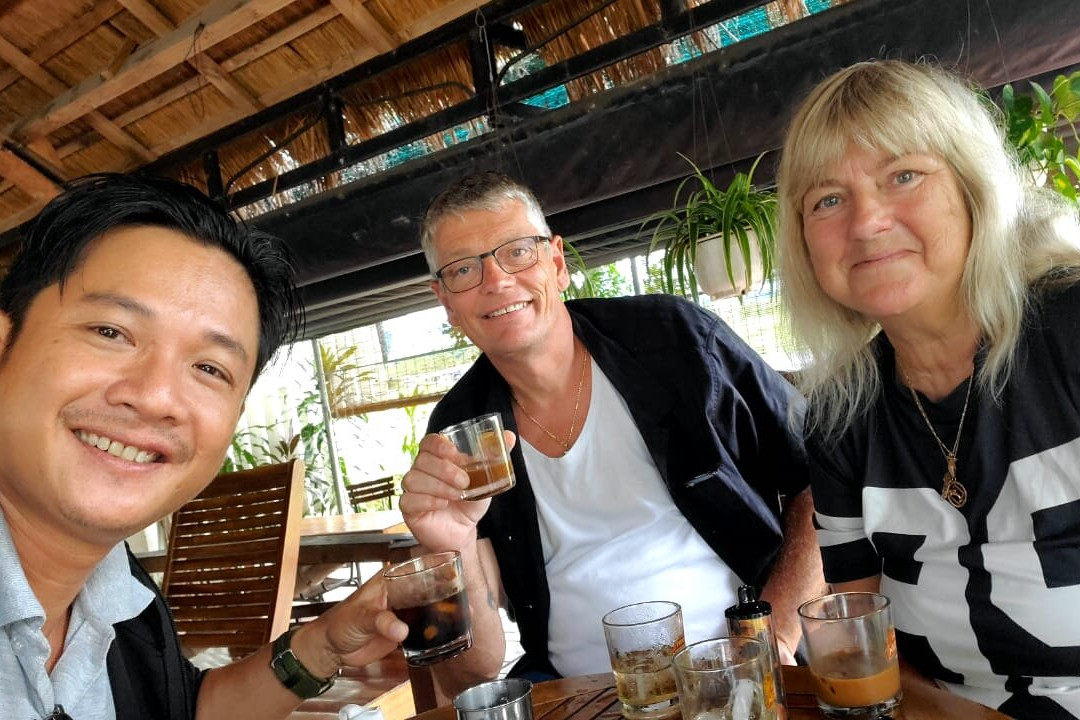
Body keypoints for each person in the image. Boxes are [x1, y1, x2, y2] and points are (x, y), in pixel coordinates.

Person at [399, 171, 823, 695]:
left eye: (517, 252)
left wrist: (776, 634)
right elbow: (470, 675)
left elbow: (822, 473)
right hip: (572, 693)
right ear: (445, 301)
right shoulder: (458, 429)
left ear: (557, 263)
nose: (496, 280)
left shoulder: (676, 341)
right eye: (464, 269)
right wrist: (452, 546)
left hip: (737, 669)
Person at [0, 174, 407, 719]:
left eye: (210, 368)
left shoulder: (125, 600)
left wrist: (323, 646)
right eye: (111, 332)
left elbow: (181, 709)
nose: (157, 397)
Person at [775, 59, 1080, 718]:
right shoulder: (840, 415)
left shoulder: (1070, 329)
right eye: (828, 199)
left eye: (903, 175)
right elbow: (862, 649)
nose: (866, 222)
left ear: (973, 188)